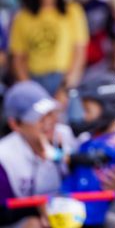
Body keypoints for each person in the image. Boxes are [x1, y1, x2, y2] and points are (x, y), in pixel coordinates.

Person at [63, 77, 115, 228]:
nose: (83, 116)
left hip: (96, 210)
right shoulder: (89, 137)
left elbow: (99, 157)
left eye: (87, 110)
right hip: (72, 206)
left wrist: (69, 158)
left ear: (108, 107)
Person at [9, 0, 89, 96]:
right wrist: (30, 90)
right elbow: (18, 58)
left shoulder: (73, 11)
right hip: (33, 80)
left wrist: (65, 88)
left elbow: (79, 53)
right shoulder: (22, 17)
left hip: (64, 79)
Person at [0, 81, 72, 227]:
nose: (49, 121)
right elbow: (3, 213)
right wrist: (38, 209)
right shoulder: (4, 157)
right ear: (15, 124)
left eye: (50, 113)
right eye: (38, 117)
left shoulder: (66, 135)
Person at [68, 0, 115, 78]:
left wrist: (113, 63)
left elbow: (114, 37)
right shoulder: (67, 9)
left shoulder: (102, 7)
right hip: (72, 68)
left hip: (100, 67)